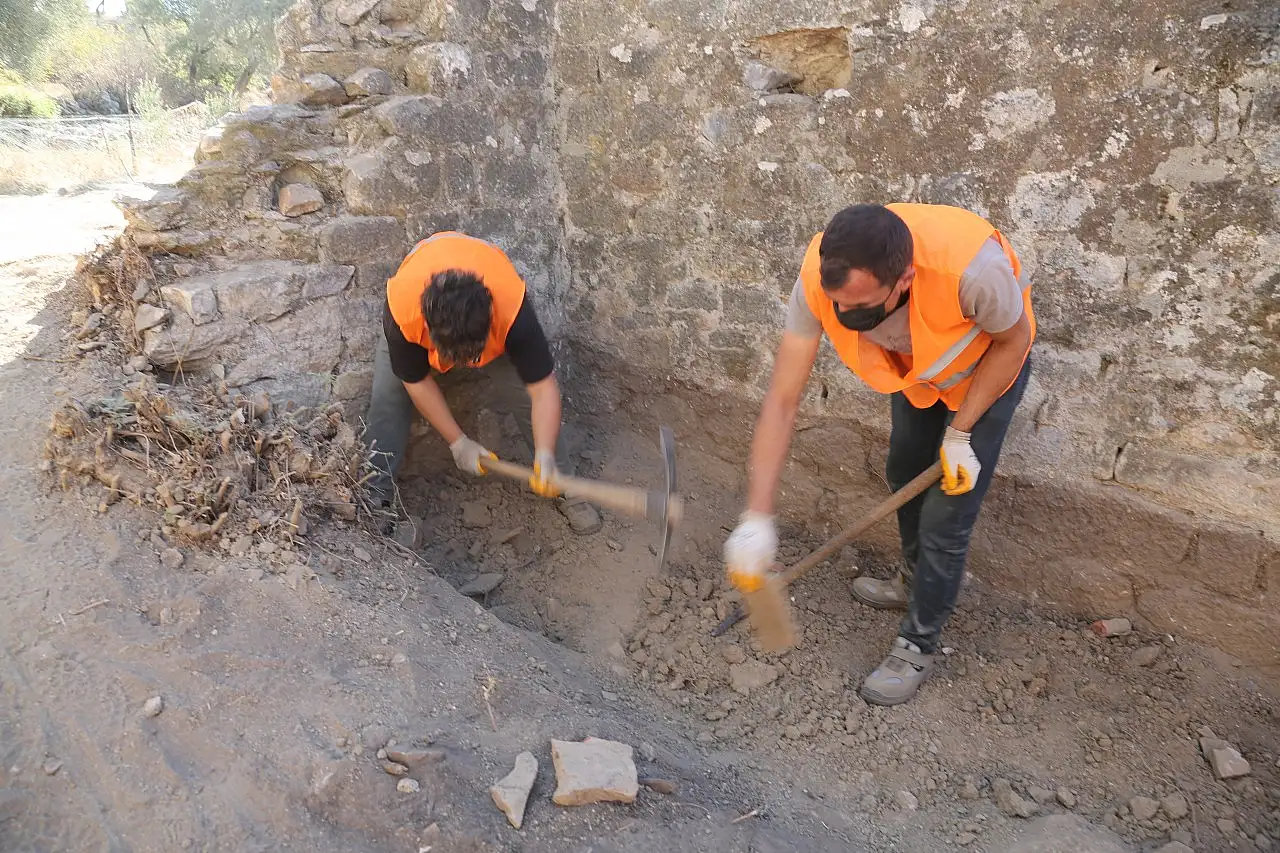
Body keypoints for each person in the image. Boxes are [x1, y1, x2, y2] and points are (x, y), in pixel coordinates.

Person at [723, 203, 1035, 706]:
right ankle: (913, 582)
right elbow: (782, 400)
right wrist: (756, 515)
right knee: (903, 471)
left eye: (865, 311)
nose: (851, 322)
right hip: (916, 374)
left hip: (985, 375)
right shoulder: (817, 278)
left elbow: (1013, 341)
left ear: (906, 279)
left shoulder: (973, 271)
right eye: (841, 310)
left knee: (946, 517)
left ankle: (918, 642)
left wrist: (960, 434)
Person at [365, 230, 602, 535]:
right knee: (388, 395)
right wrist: (458, 442)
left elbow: (543, 389)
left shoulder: (512, 311)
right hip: (418, 314)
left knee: (523, 393)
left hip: (493, 323)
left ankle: (565, 484)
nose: (465, 366)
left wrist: (544, 452)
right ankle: (375, 495)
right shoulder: (404, 312)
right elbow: (416, 380)